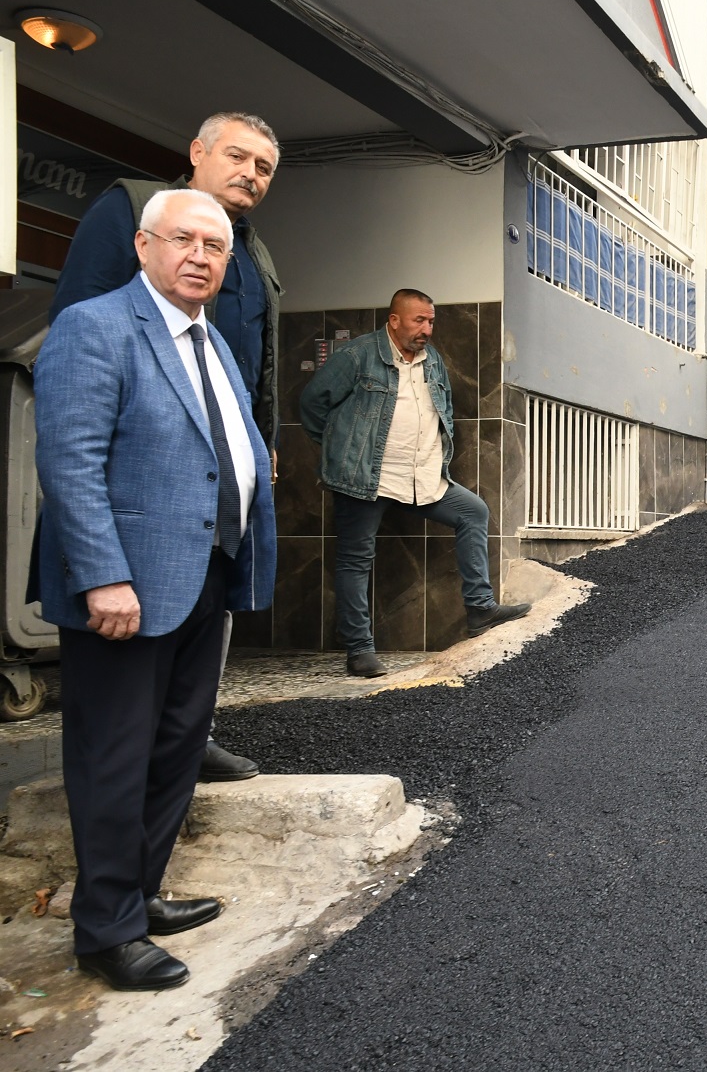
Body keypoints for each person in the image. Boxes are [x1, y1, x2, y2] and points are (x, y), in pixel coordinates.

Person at [33, 189, 277, 991]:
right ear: (144, 246)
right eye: (185, 240)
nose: (202, 256)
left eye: (216, 246)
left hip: (204, 576)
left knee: (175, 749)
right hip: (126, 589)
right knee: (114, 755)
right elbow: (69, 461)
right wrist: (103, 575)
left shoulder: (212, 344)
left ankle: (139, 896)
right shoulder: (96, 327)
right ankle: (105, 931)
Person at [47, 110, 283, 784]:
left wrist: (259, 443)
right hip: (145, 463)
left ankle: (192, 733)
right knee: (125, 692)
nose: (250, 175)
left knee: (200, 638)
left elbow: (258, 357)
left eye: (263, 167)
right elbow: (80, 331)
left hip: (223, 469)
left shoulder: (253, 251)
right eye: (237, 157)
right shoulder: (128, 206)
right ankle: (117, 866)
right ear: (197, 153)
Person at [299, 289, 530, 678]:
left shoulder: (432, 360)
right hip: (365, 480)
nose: (427, 329)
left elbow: (440, 411)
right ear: (393, 320)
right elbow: (311, 404)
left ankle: (480, 610)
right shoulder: (358, 356)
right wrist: (343, 451)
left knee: (473, 511)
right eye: (418, 320)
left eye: (431, 321)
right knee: (355, 560)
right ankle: (359, 650)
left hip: (421, 478)